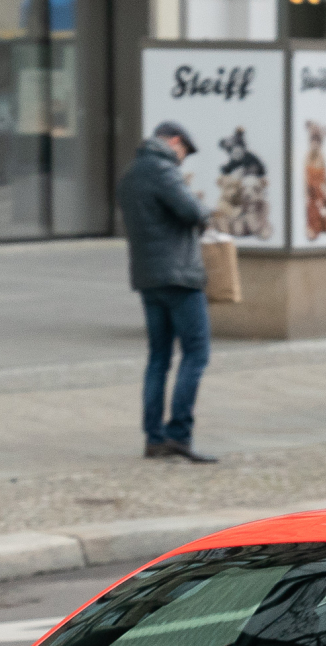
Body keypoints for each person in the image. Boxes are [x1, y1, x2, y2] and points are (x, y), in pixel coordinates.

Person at [117, 120, 217, 463]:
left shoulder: (131, 174)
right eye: (184, 152)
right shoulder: (163, 170)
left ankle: (153, 438)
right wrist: (205, 211)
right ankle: (179, 434)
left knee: (158, 358)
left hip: (147, 277)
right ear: (174, 141)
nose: (182, 160)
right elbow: (192, 211)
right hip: (179, 276)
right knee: (196, 353)